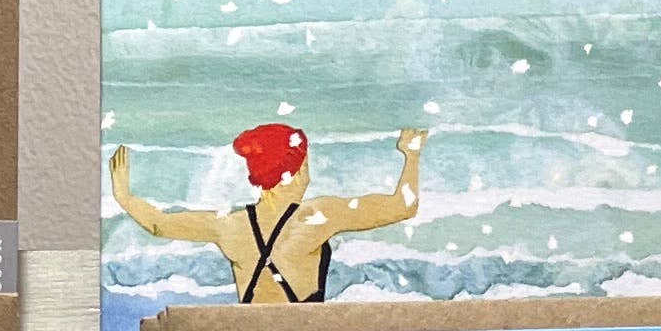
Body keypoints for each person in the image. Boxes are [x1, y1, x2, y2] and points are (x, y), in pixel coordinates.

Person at [107, 120, 427, 303]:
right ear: (294, 173)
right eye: (306, 164)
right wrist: (411, 155)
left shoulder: (229, 226)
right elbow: (404, 206)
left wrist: (123, 195)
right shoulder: (317, 217)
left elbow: (159, 224)